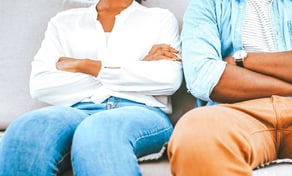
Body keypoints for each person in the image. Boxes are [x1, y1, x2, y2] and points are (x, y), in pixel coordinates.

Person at [167, 0, 292, 175]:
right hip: (236, 113)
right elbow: (205, 77)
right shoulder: (207, 5)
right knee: (196, 132)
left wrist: (242, 60)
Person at [0, 0, 182, 175]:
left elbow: (168, 80)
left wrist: (83, 65)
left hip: (142, 111)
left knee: (99, 129)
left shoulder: (160, 18)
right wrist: (136, 66)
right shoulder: (62, 22)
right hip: (77, 111)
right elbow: (41, 84)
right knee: (27, 128)